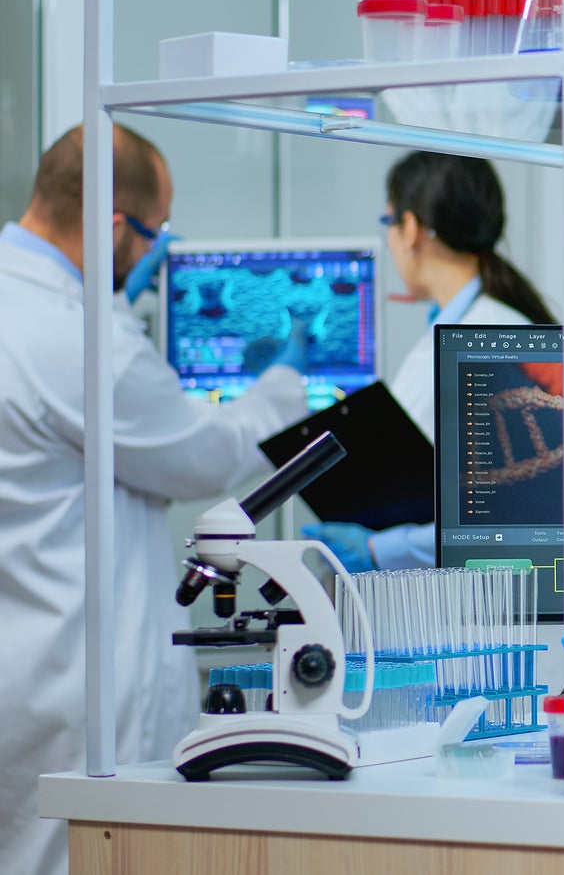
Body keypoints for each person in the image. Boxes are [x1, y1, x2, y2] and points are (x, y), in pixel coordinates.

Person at [0, 124, 309, 875]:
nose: (154, 252)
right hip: (79, 673)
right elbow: (206, 457)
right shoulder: (78, 339)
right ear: (112, 225)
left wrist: (116, 314)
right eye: (153, 232)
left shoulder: (46, 312)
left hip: (27, 655)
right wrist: (286, 383)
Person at [303, 151, 557, 572]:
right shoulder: (464, 327)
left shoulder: (489, 334)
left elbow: (507, 507)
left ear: (411, 229)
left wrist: (381, 550)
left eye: (388, 223)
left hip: (473, 601)